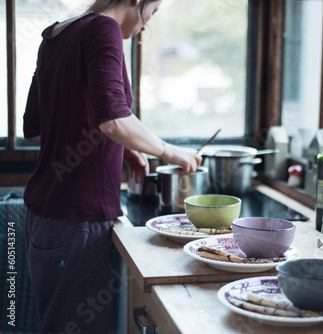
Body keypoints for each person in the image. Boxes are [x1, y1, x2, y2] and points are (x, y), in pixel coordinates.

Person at [22, 0, 201, 332]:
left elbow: (34, 130)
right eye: (153, 11)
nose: (147, 24)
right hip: (79, 222)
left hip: (43, 220)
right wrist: (170, 152)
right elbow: (114, 118)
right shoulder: (104, 29)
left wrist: (121, 146)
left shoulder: (55, 35)